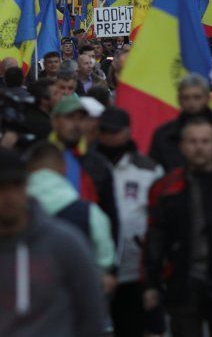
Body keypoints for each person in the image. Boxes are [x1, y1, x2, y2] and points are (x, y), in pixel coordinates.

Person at [0, 149, 107, 337]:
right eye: (1, 187)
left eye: (15, 185)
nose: (8, 196)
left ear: (27, 186)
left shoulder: (64, 243)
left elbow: (91, 314)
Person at [144, 117, 212, 337]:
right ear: (182, 146)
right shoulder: (168, 187)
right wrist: (151, 282)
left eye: (205, 141)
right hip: (183, 283)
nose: (199, 147)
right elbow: (156, 236)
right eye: (192, 142)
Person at [96, 107, 164, 337]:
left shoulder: (148, 170)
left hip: (134, 268)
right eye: (104, 130)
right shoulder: (89, 165)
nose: (108, 136)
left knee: (132, 328)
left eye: (114, 131)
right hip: (95, 267)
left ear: (127, 132)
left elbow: (159, 218)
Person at [24, 141, 116, 285]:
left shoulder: (13, 211)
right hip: (76, 294)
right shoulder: (88, 211)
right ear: (64, 169)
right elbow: (105, 258)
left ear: (28, 169)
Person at [50, 94, 118, 240]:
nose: (76, 124)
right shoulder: (39, 158)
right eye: (70, 117)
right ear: (55, 121)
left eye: (81, 118)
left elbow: (110, 215)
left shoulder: (98, 164)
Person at [149, 74, 212, 172]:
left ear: (207, 98)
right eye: (186, 98)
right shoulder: (164, 135)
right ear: (179, 99)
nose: (192, 103)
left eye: (197, 97)